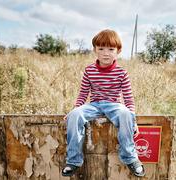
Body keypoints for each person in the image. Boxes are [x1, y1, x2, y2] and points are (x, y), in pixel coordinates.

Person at [61, 29, 145, 177]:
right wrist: (75, 109)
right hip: (94, 105)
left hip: (114, 105)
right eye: (101, 49)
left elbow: (128, 98)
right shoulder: (89, 71)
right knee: (75, 115)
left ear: (118, 51)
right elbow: (83, 94)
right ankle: (73, 160)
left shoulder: (121, 73)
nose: (106, 53)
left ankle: (130, 157)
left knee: (126, 113)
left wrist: (133, 120)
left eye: (111, 49)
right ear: (95, 50)